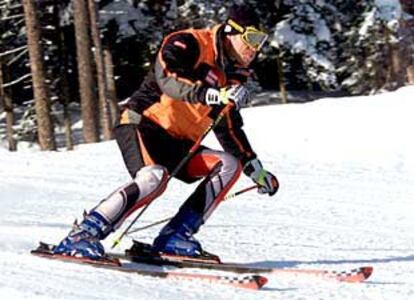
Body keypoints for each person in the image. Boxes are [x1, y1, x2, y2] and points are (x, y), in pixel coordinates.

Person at [54, 5, 279, 260]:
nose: (256, 48)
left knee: (229, 165)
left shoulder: (234, 75)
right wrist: (213, 93)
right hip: (144, 124)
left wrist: (255, 169)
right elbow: (169, 80)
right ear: (230, 31)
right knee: (154, 178)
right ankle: (83, 234)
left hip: (180, 143)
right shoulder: (188, 42)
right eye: (252, 38)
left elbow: (228, 127)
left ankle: (175, 236)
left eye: (262, 41)